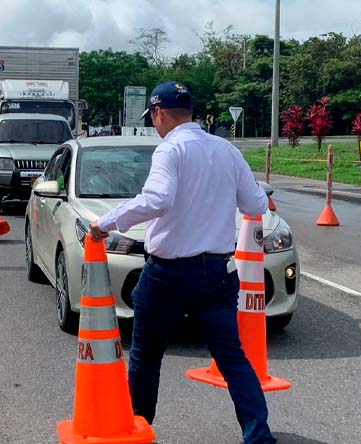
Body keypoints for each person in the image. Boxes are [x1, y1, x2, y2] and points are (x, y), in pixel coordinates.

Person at [89, 81, 276, 444]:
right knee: (233, 359)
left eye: (153, 118)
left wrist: (104, 224)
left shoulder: (169, 149)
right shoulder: (226, 149)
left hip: (168, 274)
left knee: (146, 355)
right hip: (218, 272)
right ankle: (259, 436)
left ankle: (138, 428)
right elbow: (255, 205)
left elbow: (157, 199)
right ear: (191, 112)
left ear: (158, 113)